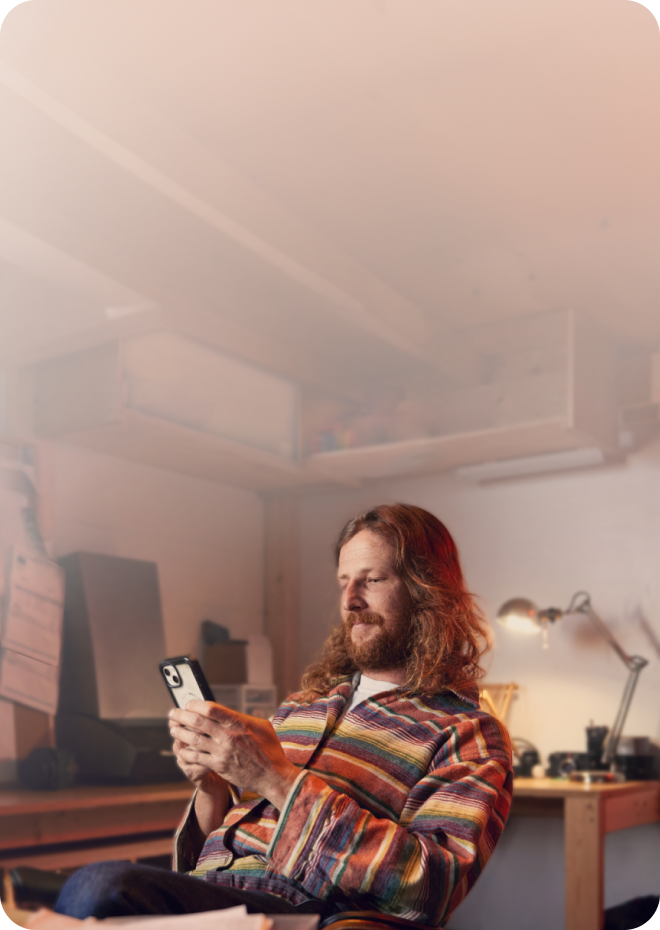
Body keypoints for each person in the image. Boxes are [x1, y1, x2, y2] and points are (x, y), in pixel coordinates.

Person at [55, 504, 513, 926]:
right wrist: (213, 788)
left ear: (427, 591)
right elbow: (206, 859)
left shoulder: (466, 733)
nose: (350, 599)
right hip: (215, 897)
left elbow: (433, 886)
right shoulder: (303, 707)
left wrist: (276, 778)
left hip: (305, 911)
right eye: (343, 582)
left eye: (372, 580)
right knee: (71, 897)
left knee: (98, 889)